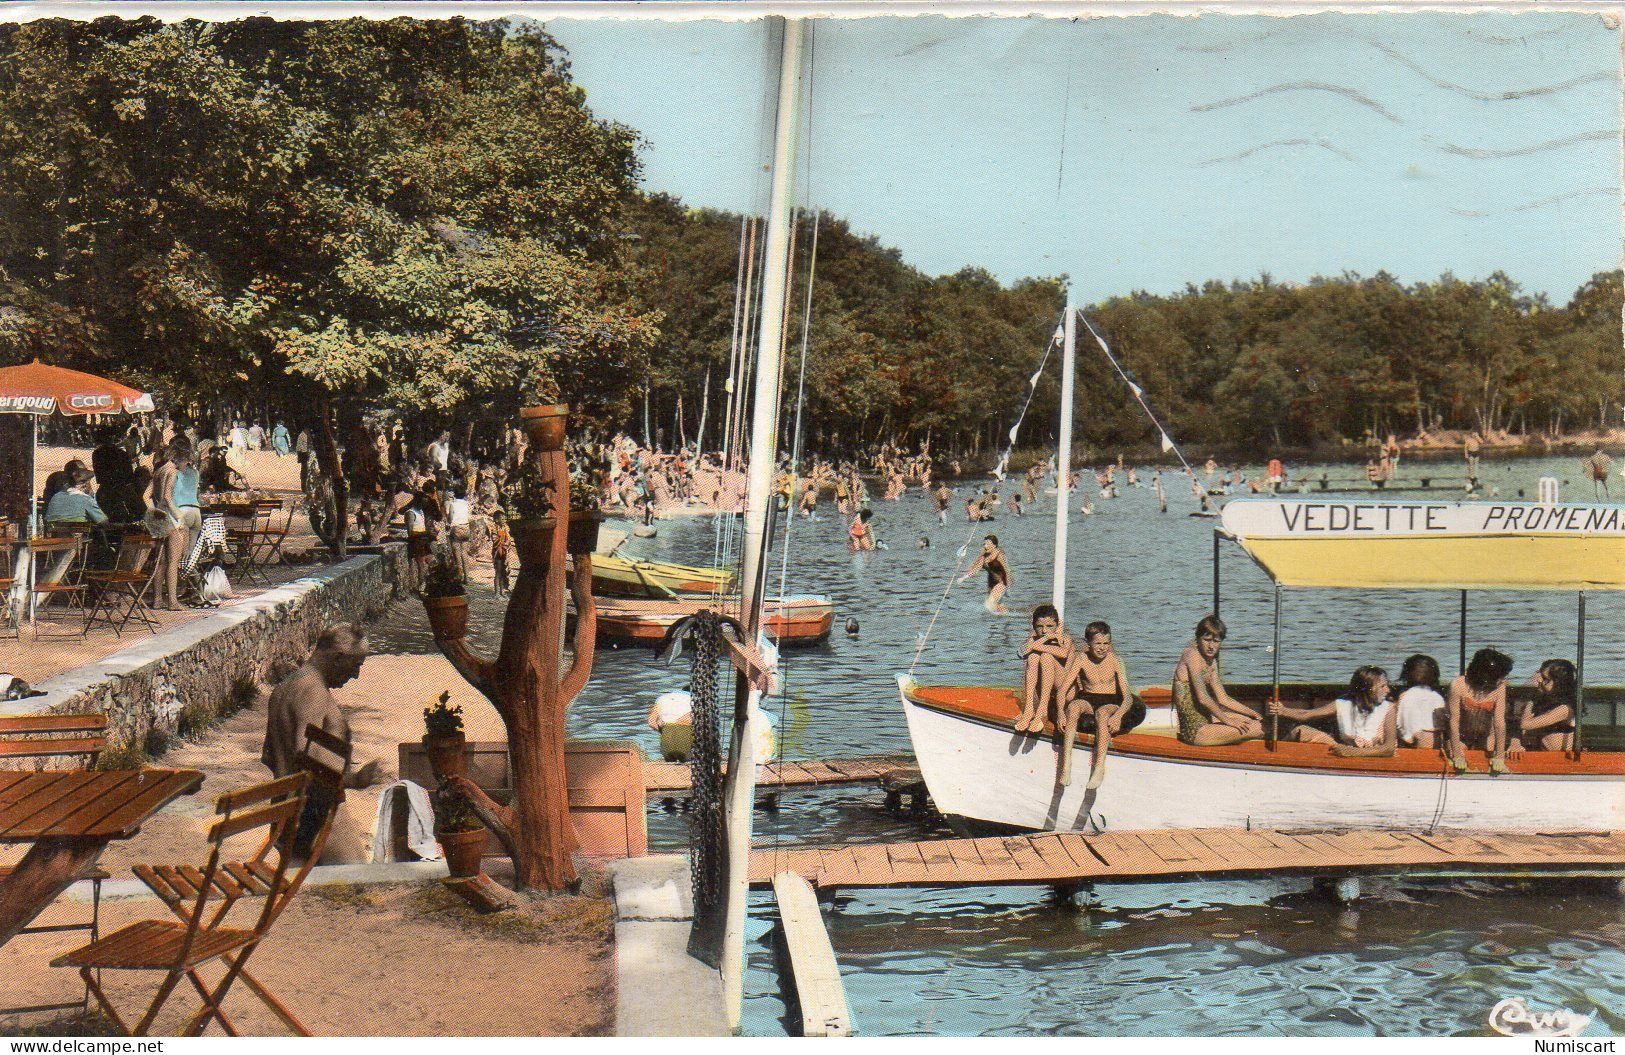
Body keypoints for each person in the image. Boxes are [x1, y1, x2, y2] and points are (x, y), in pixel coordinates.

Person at [260, 625, 382, 859]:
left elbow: (270, 756)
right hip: (315, 810)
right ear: (338, 658)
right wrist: (353, 779)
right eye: (356, 665)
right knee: (356, 882)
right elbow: (305, 754)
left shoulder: (283, 689)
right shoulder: (313, 692)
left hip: (284, 811)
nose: (356, 675)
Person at [1061, 621, 1145, 788]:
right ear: (1088, 643)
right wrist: (1060, 713)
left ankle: (1099, 768)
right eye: (1097, 643)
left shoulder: (1115, 661)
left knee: (1102, 714)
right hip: (1089, 697)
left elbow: (1127, 697)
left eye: (1106, 643)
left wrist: (1119, 716)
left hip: (1110, 700)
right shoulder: (1082, 659)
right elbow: (1063, 689)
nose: (1102, 648)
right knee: (1073, 708)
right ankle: (1066, 765)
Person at [1172, 614, 1264, 745]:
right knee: (1259, 728)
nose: (1211, 646)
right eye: (1206, 639)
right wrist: (1228, 720)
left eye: (1216, 641)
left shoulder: (1211, 662)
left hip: (1206, 721)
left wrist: (1253, 713)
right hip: (1195, 732)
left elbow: (1223, 698)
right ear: (1198, 638)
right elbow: (1203, 698)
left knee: (1254, 721)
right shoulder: (1192, 655)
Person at [1268, 666, 1397, 756]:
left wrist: (1353, 753)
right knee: (1301, 731)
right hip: (1346, 752)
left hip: (1376, 756)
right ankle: (1276, 757)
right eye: (1382, 686)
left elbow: (1389, 749)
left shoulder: (1388, 709)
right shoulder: (1343, 704)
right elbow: (1308, 714)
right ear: (1368, 689)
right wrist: (1283, 711)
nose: (1387, 690)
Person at [1445, 647, 1514, 775]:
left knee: (1489, 748)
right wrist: (1457, 754)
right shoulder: (1458, 685)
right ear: (1486, 676)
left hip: (1487, 734)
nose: (1503, 680)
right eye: (1500, 677)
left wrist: (1499, 756)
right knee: (1456, 751)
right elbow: (1453, 721)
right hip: (1462, 735)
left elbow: (1499, 723)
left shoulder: (1500, 688)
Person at [1019, 604, 1072, 735]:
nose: (1044, 631)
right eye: (1039, 626)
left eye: (1049, 626)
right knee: (1032, 657)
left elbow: (1063, 654)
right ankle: (1030, 708)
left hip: (1065, 694)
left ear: (1058, 625)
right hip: (1044, 694)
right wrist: (1043, 640)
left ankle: (1041, 711)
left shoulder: (1065, 639)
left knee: (1046, 656)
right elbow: (1021, 653)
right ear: (1033, 626)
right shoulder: (1034, 639)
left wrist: (1039, 643)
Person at [1510, 658, 1577, 756]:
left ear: (1559, 684)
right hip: (1542, 754)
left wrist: (1532, 699)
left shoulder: (1565, 709)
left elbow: (1525, 724)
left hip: (1559, 759)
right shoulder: (1546, 701)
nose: (1540, 681)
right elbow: (1519, 728)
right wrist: (1515, 743)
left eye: (1546, 679)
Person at [1394, 653, 1445, 749]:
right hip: (1433, 744)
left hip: (1409, 744)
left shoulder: (1404, 696)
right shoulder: (1437, 697)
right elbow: (1441, 726)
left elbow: (1398, 724)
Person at [959, 534, 1010, 613]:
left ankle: (1005, 616)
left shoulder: (999, 554)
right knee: (994, 607)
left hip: (1001, 582)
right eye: (984, 544)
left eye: (988, 544)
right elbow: (976, 569)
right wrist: (964, 577)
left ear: (994, 545)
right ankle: (1008, 615)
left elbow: (1006, 569)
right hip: (991, 583)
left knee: (988, 605)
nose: (985, 546)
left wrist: (1008, 583)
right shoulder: (984, 557)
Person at [44, 465, 108, 527]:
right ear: (84, 485)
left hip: (56, 537)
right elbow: (103, 523)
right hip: (80, 537)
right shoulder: (86, 499)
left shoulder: (55, 498)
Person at [647, 687, 694, 762]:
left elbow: (651, 722)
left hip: (666, 738)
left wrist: (665, 730)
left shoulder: (662, 699)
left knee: (670, 766)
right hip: (685, 738)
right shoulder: (696, 700)